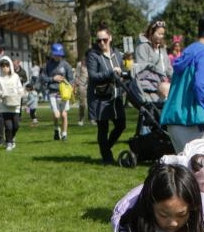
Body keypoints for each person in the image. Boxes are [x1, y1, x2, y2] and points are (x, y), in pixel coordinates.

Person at [159, 11, 204, 151]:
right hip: (192, 121)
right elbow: (201, 85)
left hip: (174, 120)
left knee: (187, 169)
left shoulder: (189, 50)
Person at [85, 25, 127, 164]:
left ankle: (106, 148)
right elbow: (93, 75)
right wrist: (110, 72)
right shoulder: (93, 55)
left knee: (121, 124)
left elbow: (121, 71)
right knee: (103, 128)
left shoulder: (117, 54)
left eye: (104, 40)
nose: (101, 43)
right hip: (99, 97)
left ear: (110, 38)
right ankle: (107, 157)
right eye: (98, 41)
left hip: (115, 95)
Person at [133, 19, 173, 103]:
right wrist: (159, 81)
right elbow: (142, 69)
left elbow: (168, 68)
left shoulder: (162, 49)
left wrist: (175, 78)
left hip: (164, 85)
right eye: (159, 34)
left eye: (162, 34)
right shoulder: (143, 47)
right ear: (151, 32)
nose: (161, 36)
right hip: (150, 87)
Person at [41, 43, 74, 141]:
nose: (57, 56)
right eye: (56, 54)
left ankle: (64, 134)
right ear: (52, 53)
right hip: (52, 92)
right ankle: (56, 129)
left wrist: (70, 88)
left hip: (64, 93)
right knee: (56, 115)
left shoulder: (66, 65)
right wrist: (53, 78)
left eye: (59, 54)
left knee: (64, 114)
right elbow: (43, 78)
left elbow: (71, 79)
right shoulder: (47, 65)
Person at [0, 56, 24, 151]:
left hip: (15, 105)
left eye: (6, 66)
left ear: (10, 66)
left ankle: (11, 138)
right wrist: (1, 94)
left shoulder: (15, 77)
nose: (4, 68)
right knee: (8, 126)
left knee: (16, 125)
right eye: (2, 66)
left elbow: (20, 88)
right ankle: (9, 143)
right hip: (4, 106)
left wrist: (20, 93)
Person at [72, 58, 87, 125]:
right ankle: (81, 118)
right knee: (83, 104)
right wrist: (75, 86)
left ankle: (93, 119)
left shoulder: (93, 63)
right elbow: (76, 76)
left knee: (93, 103)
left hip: (91, 85)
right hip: (82, 85)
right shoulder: (79, 64)